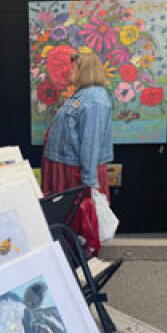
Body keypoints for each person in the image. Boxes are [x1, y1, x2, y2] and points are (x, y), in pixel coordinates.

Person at [41, 52, 114, 257]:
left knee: (78, 215)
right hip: (65, 167)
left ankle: (81, 258)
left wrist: (88, 183)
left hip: (74, 171)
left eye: (73, 68)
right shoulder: (82, 95)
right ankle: (69, 255)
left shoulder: (95, 99)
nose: (69, 71)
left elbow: (91, 142)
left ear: (85, 70)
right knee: (66, 216)